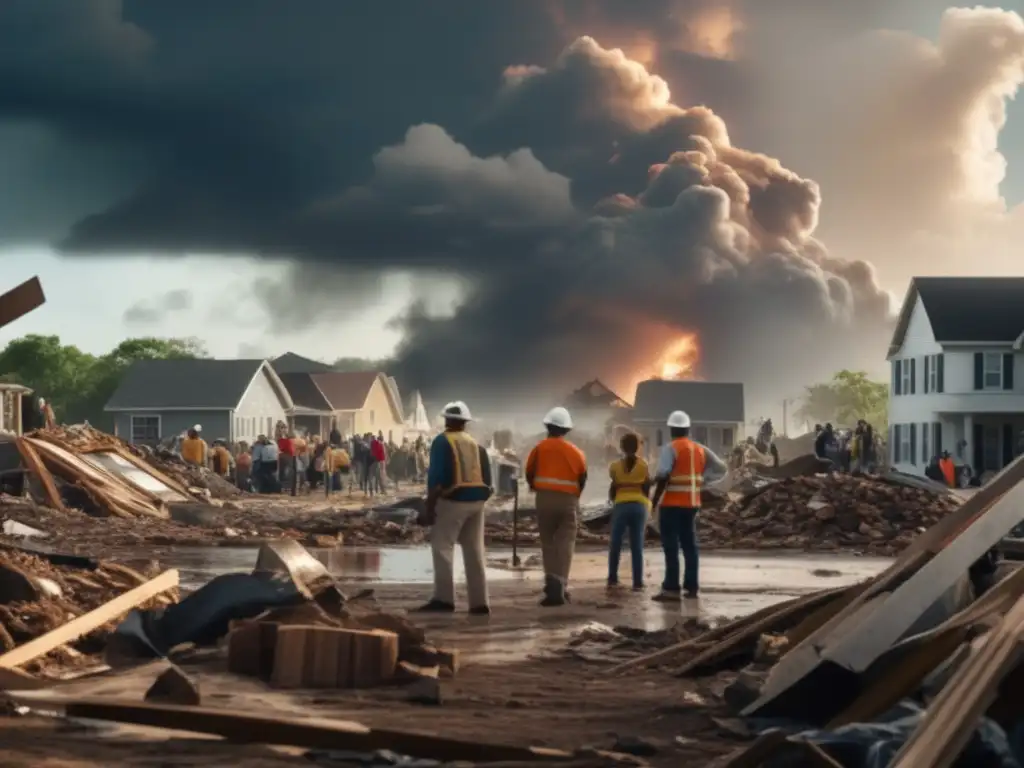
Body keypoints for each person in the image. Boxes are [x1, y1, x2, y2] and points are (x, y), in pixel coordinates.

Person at [415, 401, 493, 615]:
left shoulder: (442, 441)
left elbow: (436, 479)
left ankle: (444, 598)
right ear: (465, 423)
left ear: (447, 420)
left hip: (453, 500)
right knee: (475, 550)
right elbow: (488, 479)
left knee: (442, 547)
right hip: (477, 501)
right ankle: (479, 602)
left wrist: (429, 508)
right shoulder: (475, 444)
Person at [649, 410, 729, 601]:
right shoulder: (699, 449)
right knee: (690, 545)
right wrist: (704, 480)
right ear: (687, 429)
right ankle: (692, 587)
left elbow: (663, 475)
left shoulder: (671, 448)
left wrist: (654, 501)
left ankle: (671, 588)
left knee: (671, 545)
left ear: (671, 429)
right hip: (692, 503)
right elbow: (722, 468)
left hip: (672, 503)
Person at [525, 406, 587, 607]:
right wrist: (575, 496)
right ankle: (560, 586)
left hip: (544, 500)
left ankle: (553, 587)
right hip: (568, 501)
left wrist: (535, 487)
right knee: (566, 544)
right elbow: (582, 477)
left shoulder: (539, 448)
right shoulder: (577, 452)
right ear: (567, 430)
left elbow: (529, 472)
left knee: (548, 544)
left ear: (547, 426)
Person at [606, 432, 650, 591]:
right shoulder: (644, 465)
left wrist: (614, 500)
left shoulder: (615, 467)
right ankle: (637, 582)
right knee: (637, 545)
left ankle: (612, 578)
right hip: (639, 506)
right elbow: (646, 488)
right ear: (638, 447)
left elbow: (613, 488)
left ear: (622, 448)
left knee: (616, 543)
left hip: (621, 506)